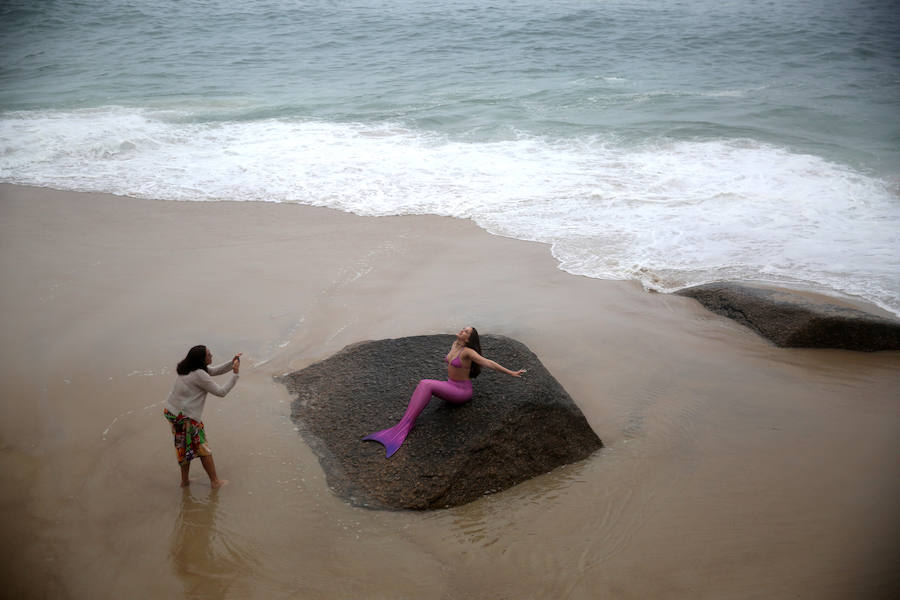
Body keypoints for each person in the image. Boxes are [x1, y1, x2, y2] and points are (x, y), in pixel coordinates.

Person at [363, 327, 525, 458]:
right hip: (450, 385)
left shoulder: (468, 352)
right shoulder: (455, 345)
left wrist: (511, 373)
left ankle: (403, 427)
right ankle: (402, 426)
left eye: (466, 332)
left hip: (461, 391)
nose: (462, 331)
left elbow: (488, 363)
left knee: (425, 384)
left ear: (469, 339)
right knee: (425, 385)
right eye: (463, 329)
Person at [163, 345, 241, 488]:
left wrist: (232, 362)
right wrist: (235, 374)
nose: (212, 356)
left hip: (172, 412)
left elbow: (213, 371)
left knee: (183, 446)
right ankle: (215, 482)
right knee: (202, 448)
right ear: (201, 360)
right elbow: (221, 392)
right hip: (185, 417)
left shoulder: (188, 368)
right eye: (209, 355)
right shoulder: (200, 374)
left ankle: (185, 482)